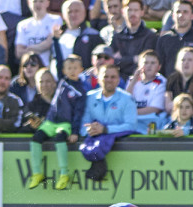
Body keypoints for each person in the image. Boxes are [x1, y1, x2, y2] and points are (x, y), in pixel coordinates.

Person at [26, 54, 86, 190]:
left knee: (60, 138)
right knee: (36, 139)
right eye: (69, 68)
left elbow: (78, 113)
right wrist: (55, 38)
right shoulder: (62, 81)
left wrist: (75, 131)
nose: (72, 71)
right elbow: (59, 60)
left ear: (81, 70)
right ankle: (37, 173)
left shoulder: (81, 91)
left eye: (75, 68)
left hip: (64, 123)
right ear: (64, 70)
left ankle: (64, 173)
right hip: (51, 121)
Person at [78, 62, 138, 182]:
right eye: (105, 76)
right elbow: (83, 125)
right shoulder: (90, 97)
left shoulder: (127, 99)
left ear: (118, 80)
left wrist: (105, 130)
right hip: (93, 141)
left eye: (113, 77)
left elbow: (131, 125)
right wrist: (90, 129)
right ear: (99, 78)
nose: (109, 80)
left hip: (122, 155)